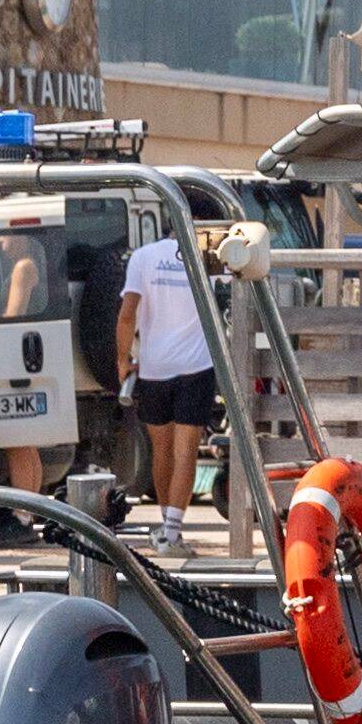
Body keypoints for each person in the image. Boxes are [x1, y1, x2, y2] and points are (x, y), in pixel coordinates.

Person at [118, 218, 222, 547]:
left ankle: (166, 527)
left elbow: (127, 313)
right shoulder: (206, 257)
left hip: (154, 367)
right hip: (197, 365)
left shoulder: (143, 257)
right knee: (185, 452)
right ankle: (173, 532)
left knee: (160, 451)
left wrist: (122, 358)